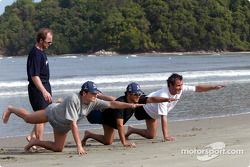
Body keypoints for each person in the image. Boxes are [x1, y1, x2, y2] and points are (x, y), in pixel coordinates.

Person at [2, 81, 143, 155]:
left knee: (58, 149)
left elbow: (112, 103)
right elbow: (74, 124)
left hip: (61, 127)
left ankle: (34, 142)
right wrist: (79, 146)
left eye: (96, 94)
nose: (95, 96)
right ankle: (11, 109)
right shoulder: (73, 99)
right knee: (27, 118)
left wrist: (129, 105)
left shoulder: (93, 102)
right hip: (52, 114)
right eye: (93, 94)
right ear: (84, 93)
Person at [125, 73, 225, 141]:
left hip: (153, 111)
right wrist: (166, 136)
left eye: (181, 85)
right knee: (151, 135)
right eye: (178, 85)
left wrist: (213, 87)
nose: (180, 87)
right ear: (170, 85)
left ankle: (131, 129)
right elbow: (164, 117)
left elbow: (197, 88)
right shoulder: (164, 95)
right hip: (143, 109)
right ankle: (131, 129)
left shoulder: (180, 88)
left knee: (151, 135)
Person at [82, 82, 177, 147]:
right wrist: (124, 143)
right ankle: (97, 97)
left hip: (110, 115)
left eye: (139, 94)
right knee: (108, 142)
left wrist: (166, 99)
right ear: (129, 94)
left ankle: (88, 134)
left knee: (107, 141)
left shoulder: (137, 98)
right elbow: (119, 125)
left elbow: (151, 99)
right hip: (102, 117)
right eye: (136, 94)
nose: (138, 96)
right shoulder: (121, 104)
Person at [26, 28, 53, 145]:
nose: (50, 44)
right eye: (48, 42)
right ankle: (38, 142)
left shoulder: (41, 51)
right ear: (41, 40)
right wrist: (44, 91)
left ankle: (31, 137)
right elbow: (34, 76)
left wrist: (46, 90)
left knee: (44, 115)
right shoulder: (35, 54)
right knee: (41, 116)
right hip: (38, 89)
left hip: (45, 86)